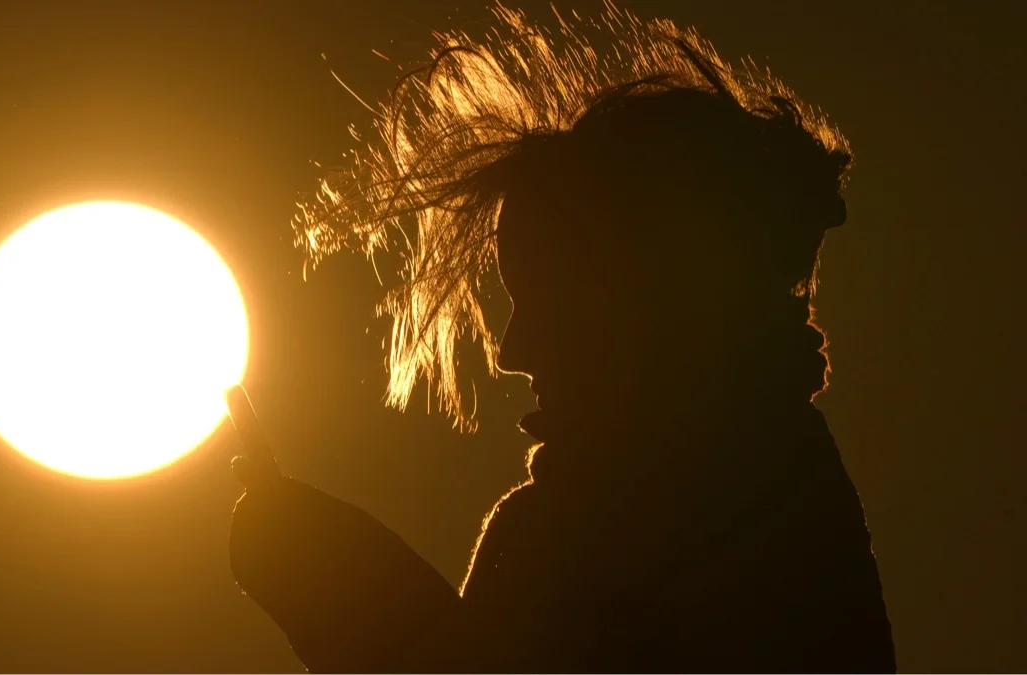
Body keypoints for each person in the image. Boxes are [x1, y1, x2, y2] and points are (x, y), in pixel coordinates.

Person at [226, 4, 897, 672]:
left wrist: (329, 575)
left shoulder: (633, 529)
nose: (511, 352)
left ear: (648, 308)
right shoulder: (779, 494)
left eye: (549, 306)